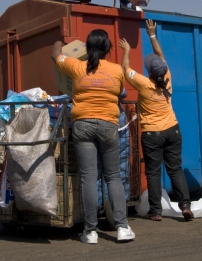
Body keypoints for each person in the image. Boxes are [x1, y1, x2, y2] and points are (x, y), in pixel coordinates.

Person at [51, 31, 135, 244]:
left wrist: (60, 39)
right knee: (113, 176)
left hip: (83, 126)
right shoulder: (117, 71)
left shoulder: (77, 66)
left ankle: (90, 232)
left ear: (87, 49)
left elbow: (55, 54)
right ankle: (122, 227)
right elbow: (119, 93)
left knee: (89, 176)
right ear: (108, 49)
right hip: (108, 125)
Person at [118, 19, 193, 221]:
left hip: (152, 133)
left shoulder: (144, 84)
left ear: (149, 73)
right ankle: (185, 205)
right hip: (173, 130)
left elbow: (125, 69)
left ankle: (156, 211)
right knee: (175, 168)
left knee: (153, 172)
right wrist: (152, 34)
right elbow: (160, 57)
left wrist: (126, 49)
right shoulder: (167, 76)